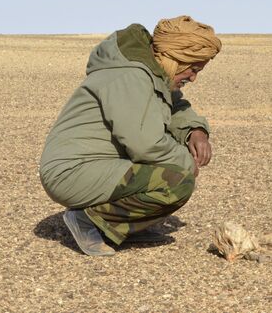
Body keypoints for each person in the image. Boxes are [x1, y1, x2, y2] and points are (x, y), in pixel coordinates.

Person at [39, 15, 222, 256]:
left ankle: (122, 227)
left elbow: (174, 105)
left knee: (171, 171)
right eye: (193, 68)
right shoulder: (131, 76)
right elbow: (146, 145)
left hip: (98, 165)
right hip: (72, 172)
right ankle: (88, 221)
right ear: (174, 58)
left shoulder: (151, 71)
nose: (193, 77)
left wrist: (194, 131)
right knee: (176, 182)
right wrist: (186, 163)